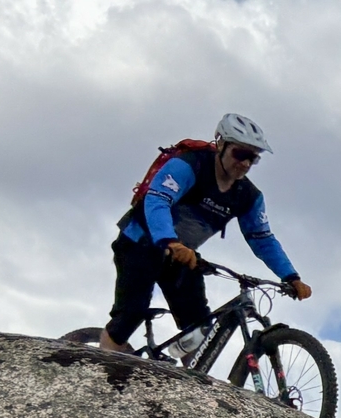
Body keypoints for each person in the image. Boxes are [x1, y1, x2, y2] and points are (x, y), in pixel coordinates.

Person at [101, 113, 310, 354]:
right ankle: (100, 366)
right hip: (140, 242)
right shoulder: (190, 165)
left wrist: (291, 276)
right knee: (130, 315)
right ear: (221, 144)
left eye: (253, 158)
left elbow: (262, 238)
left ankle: (188, 375)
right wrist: (169, 241)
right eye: (240, 154)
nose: (245, 163)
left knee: (199, 329)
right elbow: (158, 200)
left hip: (182, 256)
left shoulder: (248, 196)